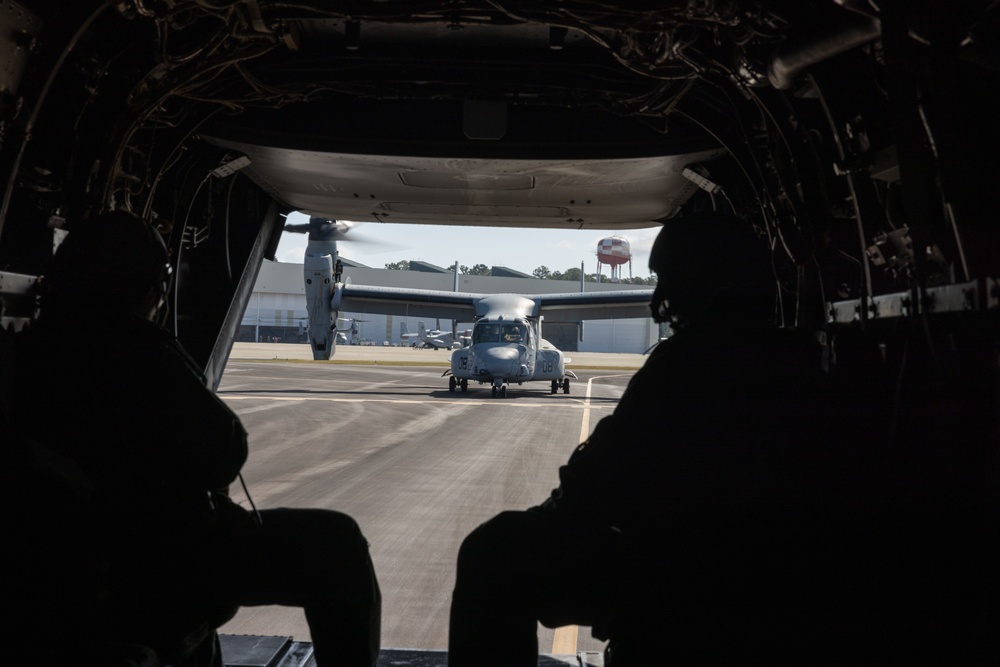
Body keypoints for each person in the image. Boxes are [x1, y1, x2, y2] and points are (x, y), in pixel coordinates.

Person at [448, 212, 840, 664]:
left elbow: (602, 479)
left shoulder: (690, 363)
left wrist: (568, 497)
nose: (658, 301)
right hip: (760, 567)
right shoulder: (799, 358)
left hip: (678, 567)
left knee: (493, 549)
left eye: (668, 279)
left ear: (708, 281)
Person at [10, 211, 380, 666]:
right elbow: (223, 450)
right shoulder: (135, 349)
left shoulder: (26, 349)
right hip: (150, 552)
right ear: (150, 288)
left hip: (54, 559)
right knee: (335, 543)